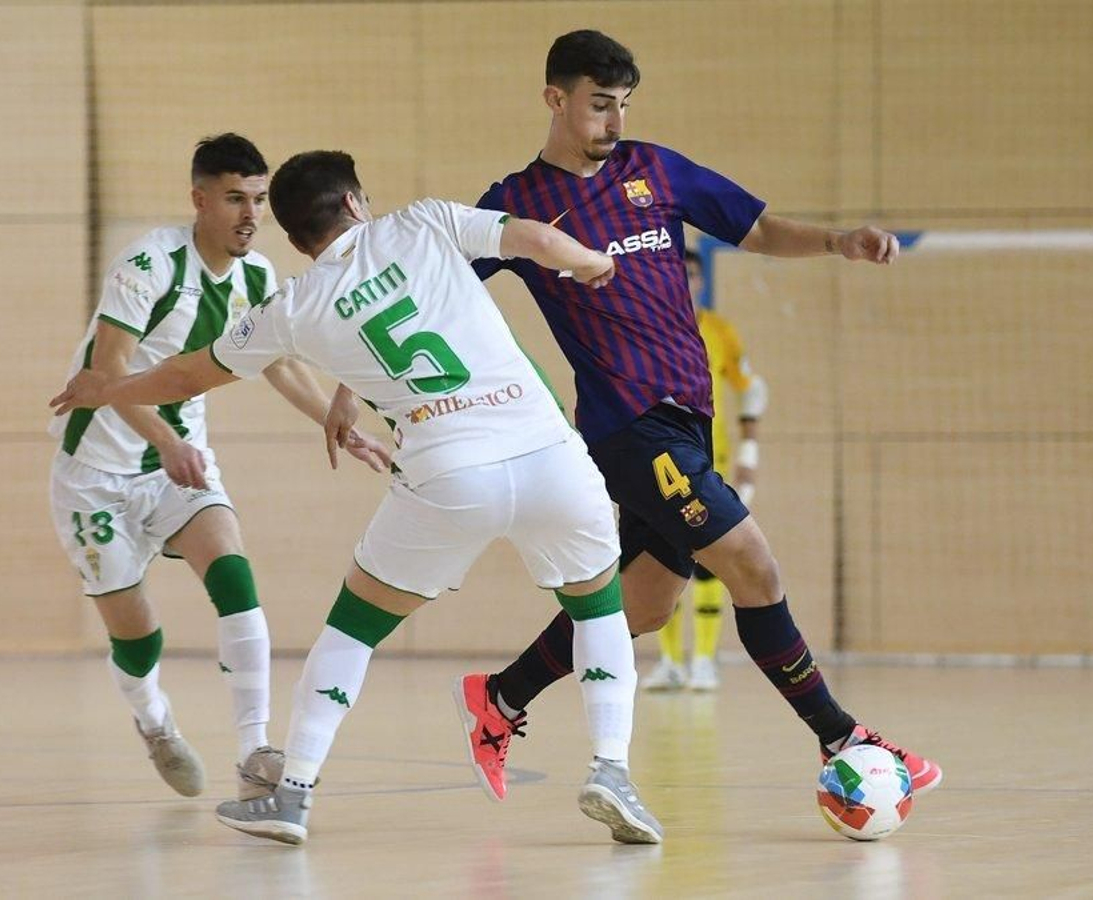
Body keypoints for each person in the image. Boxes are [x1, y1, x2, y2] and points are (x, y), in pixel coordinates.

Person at [50, 150, 663, 846]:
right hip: (549, 456)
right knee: (597, 606)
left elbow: (192, 372)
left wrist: (111, 388)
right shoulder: (426, 222)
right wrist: (587, 261)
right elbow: (533, 238)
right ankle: (611, 769)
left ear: (293, 234)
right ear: (355, 201)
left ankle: (295, 791)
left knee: (353, 630)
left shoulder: (293, 304)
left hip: (447, 470)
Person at [457, 30, 942, 798]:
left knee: (644, 602)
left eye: (622, 106)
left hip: (690, 422)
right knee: (753, 565)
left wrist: (838, 241)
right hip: (629, 426)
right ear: (555, 99)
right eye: (598, 106)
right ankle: (842, 738)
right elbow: (434, 285)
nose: (613, 123)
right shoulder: (514, 205)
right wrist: (365, 384)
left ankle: (501, 697)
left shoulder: (655, 168)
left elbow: (754, 228)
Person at [47, 134, 388, 800]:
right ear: (199, 199)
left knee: (233, 573)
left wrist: (336, 423)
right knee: (137, 630)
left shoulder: (257, 278)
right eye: (235, 198)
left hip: (180, 467)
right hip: (95, 473)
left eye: (259, 199)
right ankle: (154, 720)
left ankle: (254, 748)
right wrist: (165, 441)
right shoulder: (149, 262)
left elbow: (281, 364)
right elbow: (108, 369)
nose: (250, 214)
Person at [642, 248, 767, 693]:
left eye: (694, 274)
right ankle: (672, 661)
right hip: (659, 463)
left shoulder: (718, 331)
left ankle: (704, 661)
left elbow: (751, 391)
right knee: (662, 560)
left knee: (713, 559)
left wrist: (748, 457)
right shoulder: (645, 327)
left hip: (710, 461)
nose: (688, 281)